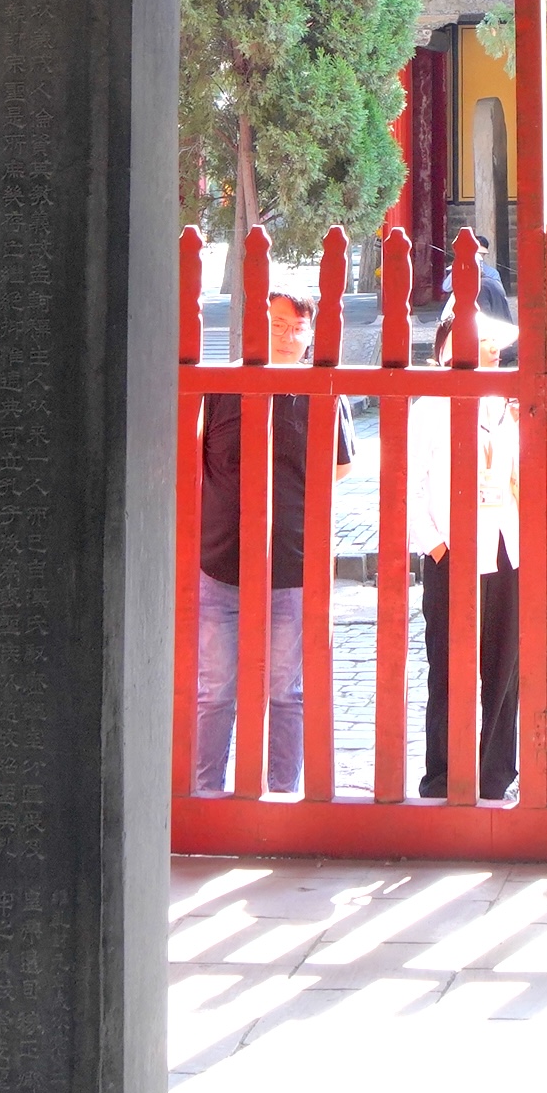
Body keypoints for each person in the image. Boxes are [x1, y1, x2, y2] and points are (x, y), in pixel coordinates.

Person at [195, 285, 353, 797]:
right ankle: (205, 794)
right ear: (255, 325)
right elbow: (195, 459)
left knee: (286, 690)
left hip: (292, 562)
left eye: (298, 327)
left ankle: (282, 792)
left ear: (312, 333)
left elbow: (341, 467)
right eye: (278, 324)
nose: (288, 335)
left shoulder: (323, 389)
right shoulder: (220, 385)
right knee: (215, 690)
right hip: (220, 559)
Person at [408, 314, 520, 800]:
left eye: (492, 343)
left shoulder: (504, 406)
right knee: (450, 664)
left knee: (504, 665)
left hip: (505, 546)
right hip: (452, 548)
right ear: (444, 349)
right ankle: (444, 775)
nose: (486, 350)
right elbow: (410, 483)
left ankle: (496, 774)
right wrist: (434, 543)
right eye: (475, 341)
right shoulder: (430, 406)